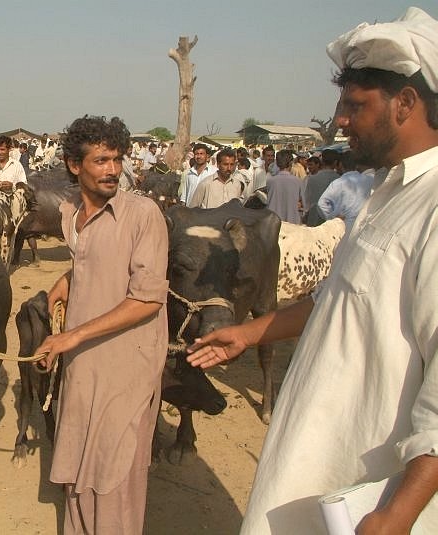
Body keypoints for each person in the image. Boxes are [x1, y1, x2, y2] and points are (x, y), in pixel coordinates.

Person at [187, 7, 438, 534]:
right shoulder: (382, 194)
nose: (340, 120)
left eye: (354, 105)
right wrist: (250, 333)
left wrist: (400, 511)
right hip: (315, 458)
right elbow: (335, 300)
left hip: (370, 485)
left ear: (407, 104)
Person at [36, 115, 168, 534]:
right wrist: (67, 280)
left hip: (128, 365)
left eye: (117, 159)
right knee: (79, 464)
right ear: (75, 165)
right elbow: (95, 263)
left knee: (116, 473)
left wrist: (70, 336)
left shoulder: (143, 214)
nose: (113, 169)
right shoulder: (69, 214)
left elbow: (146, 299)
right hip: (83, 365)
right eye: (101, 160)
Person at [317, 151, 374, 233]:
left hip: (342, 227)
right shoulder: (370, 180)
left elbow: (321, 204)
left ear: (340, 164)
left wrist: (332, 218)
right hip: (363, 227)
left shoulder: (338, 183)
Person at [303, 148, 340, 226]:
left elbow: (307, 200)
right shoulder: (339, 179)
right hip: (332, 221)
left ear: (322, 161)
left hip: (314, 218)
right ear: (335, 162)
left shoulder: (312, 178)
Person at [265, 149, 304, 224]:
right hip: (292, 224)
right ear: (291, 163)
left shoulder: (270, 181)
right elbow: (304, 205)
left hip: (274, 224)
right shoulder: (298, 182)